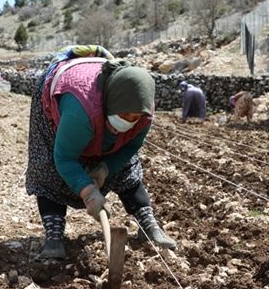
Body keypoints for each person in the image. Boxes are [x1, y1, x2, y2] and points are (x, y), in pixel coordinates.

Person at [26, 45, 177, 260]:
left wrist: (106, 168)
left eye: (135, 117)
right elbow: (64, 157)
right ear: (112, 102)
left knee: (127, 169)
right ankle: (54, 237)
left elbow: (131, 147)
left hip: (93, 109)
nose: (129, 121)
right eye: (124, 114)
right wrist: (88, 192)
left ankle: (149, 226)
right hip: (61, 95)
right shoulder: (81, 111)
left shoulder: (143, 110)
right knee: (48, 167)